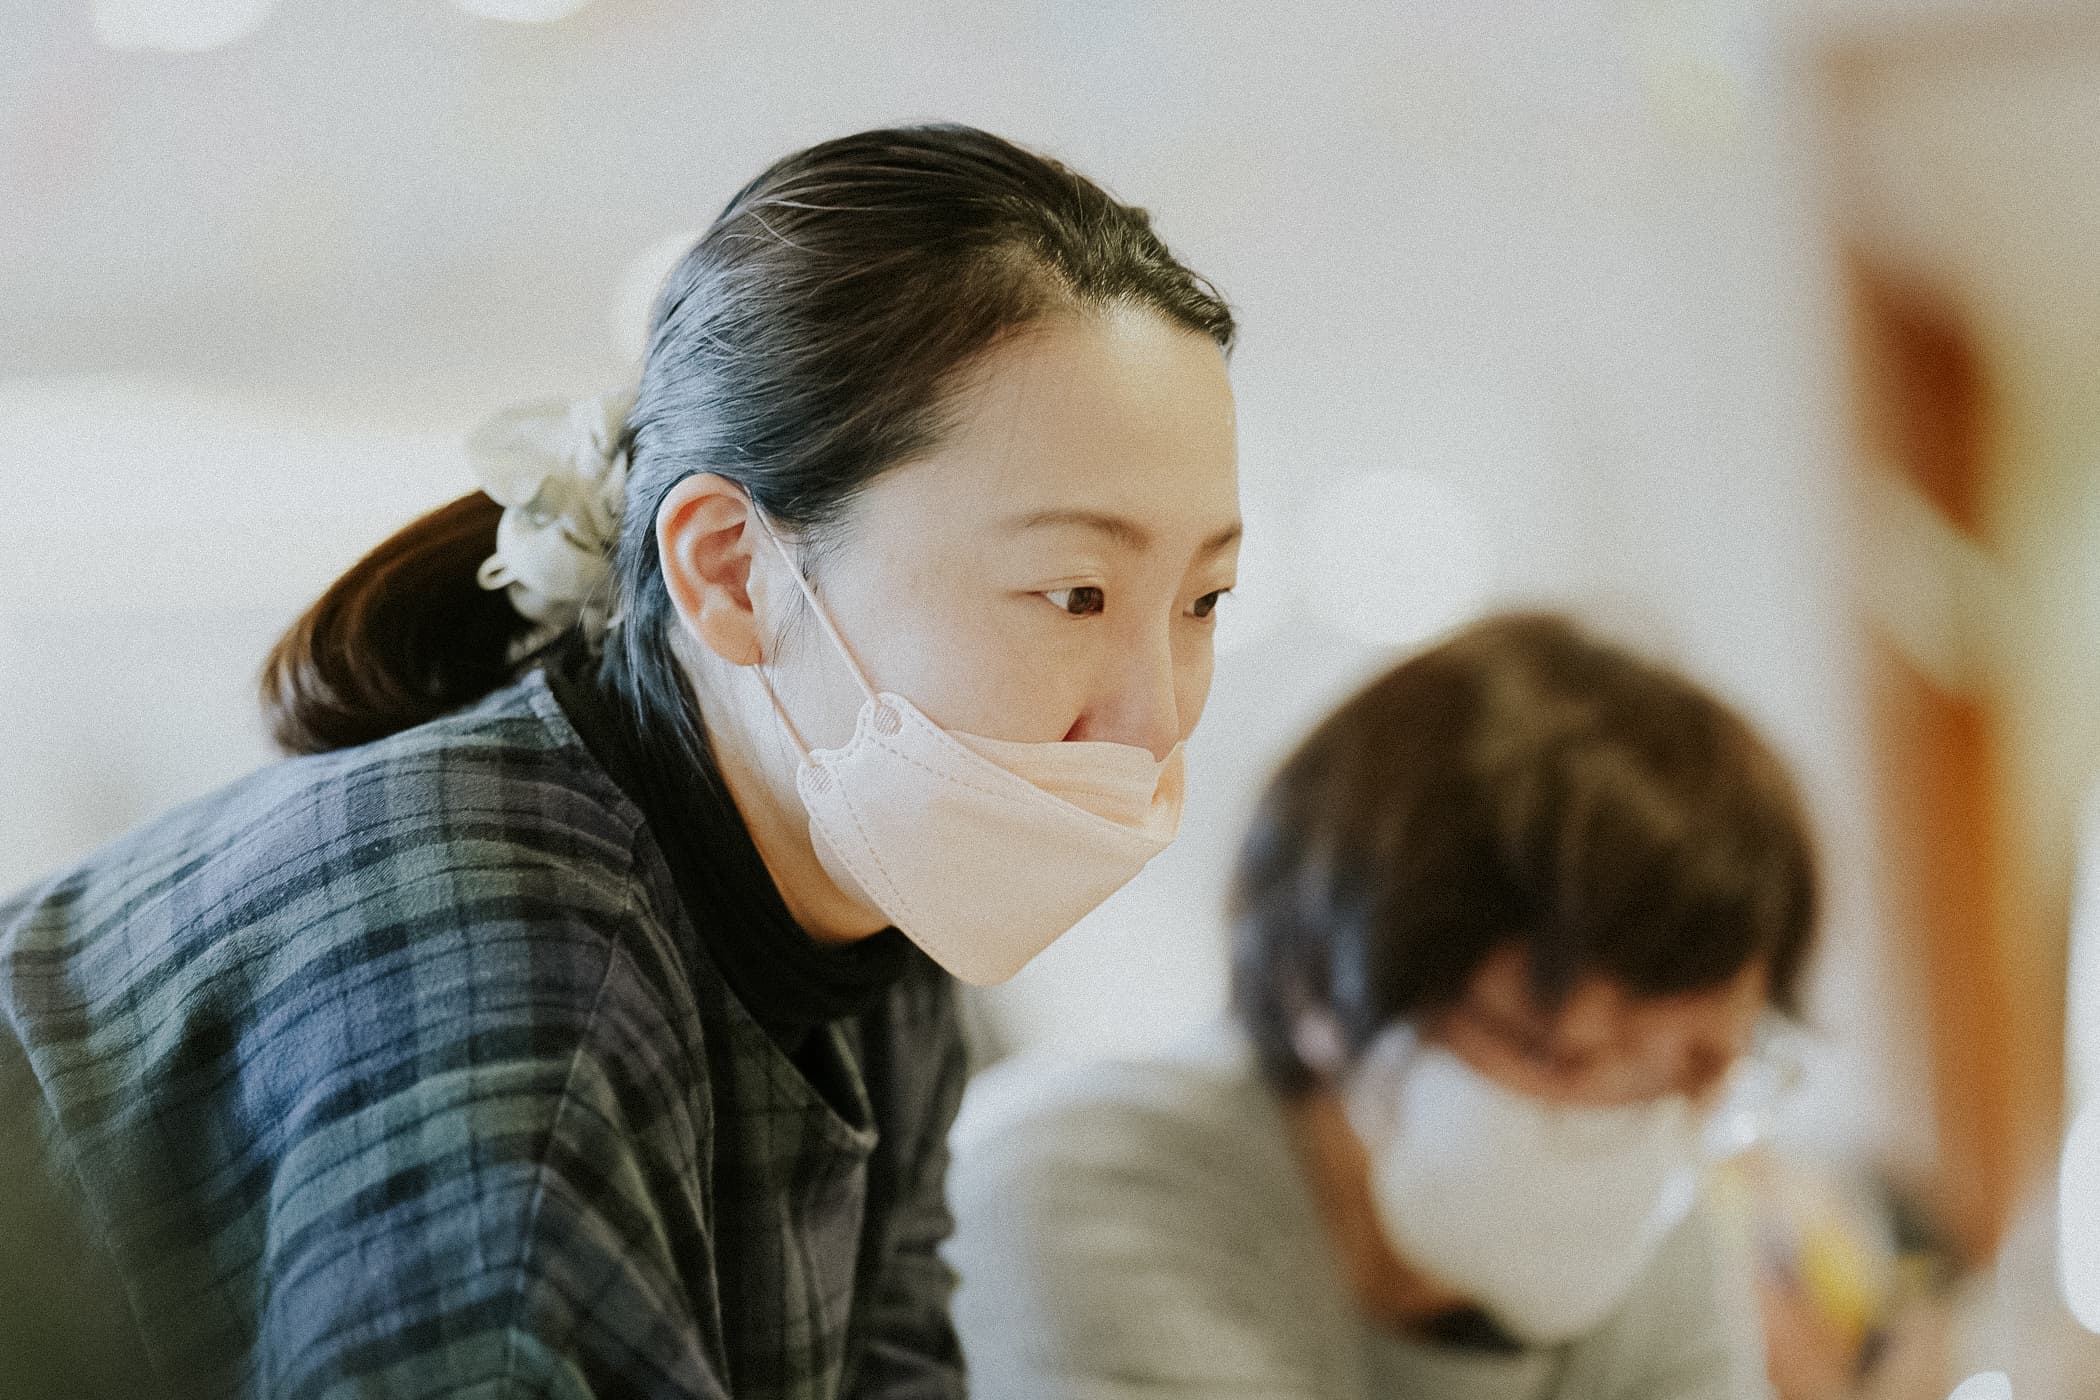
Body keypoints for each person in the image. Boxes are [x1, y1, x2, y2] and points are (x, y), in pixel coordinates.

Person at [0, 124, 1241, 1398]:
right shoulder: (510, 949)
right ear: (731, 571)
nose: (1155, 717)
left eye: (1205, 600)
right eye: (1075, 592)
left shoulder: (883, 945)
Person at [946, 612, 1820, 1400]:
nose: (1636, 1127)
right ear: (1325, 995)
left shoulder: (1654, 1242)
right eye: (1563, 1054)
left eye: (1704, 1067)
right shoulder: (1080, 1189)